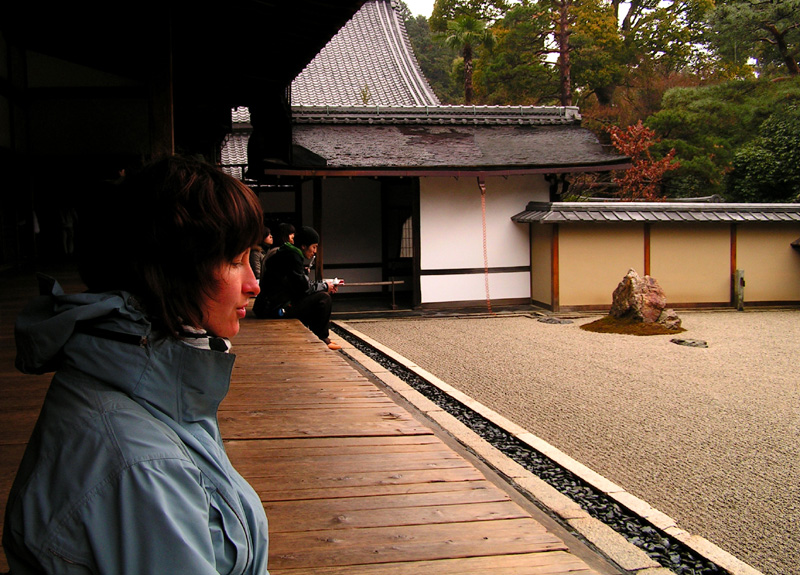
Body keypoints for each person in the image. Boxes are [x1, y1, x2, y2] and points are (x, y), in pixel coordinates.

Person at [4, 156, 270, 574]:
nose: (254, 284)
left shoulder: (155, 389)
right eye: (235, 261)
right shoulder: (140, 465)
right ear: (173, 271)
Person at [253, 225, 342, 350]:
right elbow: (304, 288)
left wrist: (321, 284)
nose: (315, 251)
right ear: (304, 246)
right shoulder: (292, 257)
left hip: (269, 305)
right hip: (274, 308)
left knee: (316, 296)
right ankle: (322, 338)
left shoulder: (286, 252)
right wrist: (325, 286)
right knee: (323, 298)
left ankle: (319, 337)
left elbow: (297, 285)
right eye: (314, 247)